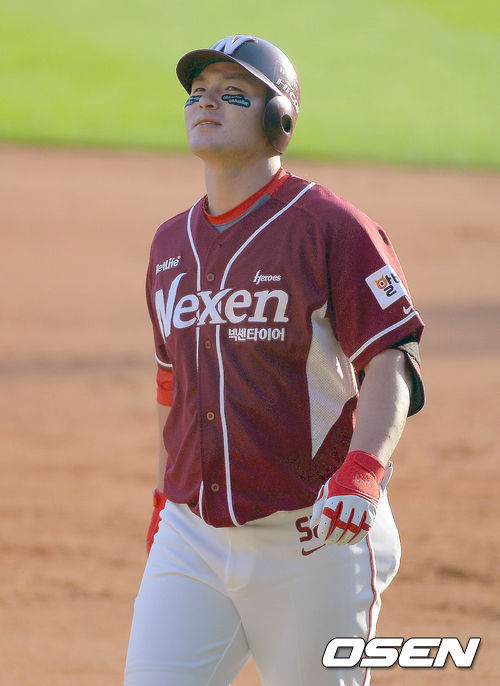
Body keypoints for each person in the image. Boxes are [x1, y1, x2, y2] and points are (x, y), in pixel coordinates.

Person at [124, 35, 424, 686]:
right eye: (198, 93)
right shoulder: (170, 243)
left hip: (315, 538)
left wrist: (364, 470)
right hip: (192, 537)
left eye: (233, 93)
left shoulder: (330, 227)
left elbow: (390, 358)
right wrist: (165, 494)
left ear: (278, 120)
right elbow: (171, 384)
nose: (206, 103)